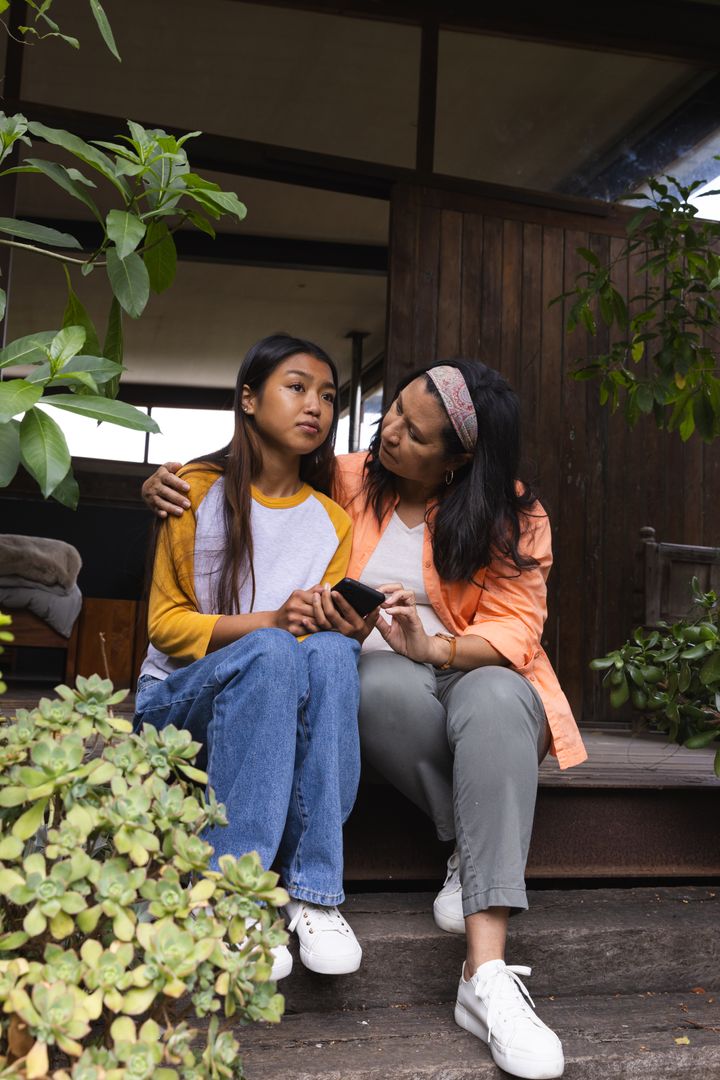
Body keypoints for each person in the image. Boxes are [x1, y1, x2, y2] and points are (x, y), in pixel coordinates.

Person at [143, 358, 587, 1080]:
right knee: (366, 678)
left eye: (415, 432)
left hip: (474, 677)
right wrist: (167, 479)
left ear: (459, 459)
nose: (391, 432)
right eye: (395, 411)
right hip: (386, 689)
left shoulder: (513, 514)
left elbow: (515, 635)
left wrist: (433, 646)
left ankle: (486, 974)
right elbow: (261, 462)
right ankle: (466, 847)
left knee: (500, 694)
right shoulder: (349, 476)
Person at [134, 333, 364, 983]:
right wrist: (271, 621)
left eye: (326, 395)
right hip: (177, 700)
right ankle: (233, 892)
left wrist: (338, 623)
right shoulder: (190, 490)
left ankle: (315, 891)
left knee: (333, 652)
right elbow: (165, 625)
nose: (314, 405)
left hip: (273, 702)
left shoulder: (331, 521)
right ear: (248, 398)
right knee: (273, 645)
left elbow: (314, 644)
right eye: (296, 387)